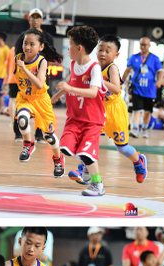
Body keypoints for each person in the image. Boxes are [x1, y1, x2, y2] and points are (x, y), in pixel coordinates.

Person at [70, 34, 148, 185]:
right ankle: (84, 170)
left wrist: (99, 80)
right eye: (100, 50)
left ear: (116, 55)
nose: (103, 53)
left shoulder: (112, 68)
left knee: (122, 148)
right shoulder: (93, 67)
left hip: (115, 110)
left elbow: (116, 89)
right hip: (98, 110)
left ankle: (139, 161)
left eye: (108, 50)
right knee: (88, 138)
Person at [51, 26, 108, 197]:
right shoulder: (74, 64)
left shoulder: (94, 68)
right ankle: (87, 164)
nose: (68, 48)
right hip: (74, 119)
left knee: (86, 153)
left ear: (79, 48)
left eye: (70, 44)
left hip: (92, 120)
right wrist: (58, 94)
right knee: (65, 148)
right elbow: (70, 83)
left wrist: (69, 88)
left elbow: (93, 92)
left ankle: (97, 184)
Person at [13, 29, 64, 177]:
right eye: (25, 43)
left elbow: (40, 84)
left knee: (49, 137)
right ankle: (28, 144)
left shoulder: (42, 61)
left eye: (32, 44)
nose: (27, 47)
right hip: (25, 98)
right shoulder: (17, 58)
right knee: (22, 120)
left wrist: (25, 69)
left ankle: (58, 159)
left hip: (41, 100)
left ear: (41, 47)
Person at [12, 8, 54, 143]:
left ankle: (39, 134)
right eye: (32, 17)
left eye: (37, 17)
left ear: (41, 20)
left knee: (40, 102)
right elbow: (18, 54)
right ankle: (19, 133)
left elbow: (51, 55)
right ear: (29, 19)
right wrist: (21, 68)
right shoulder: (23, 36)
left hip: (40, 72)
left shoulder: (47, 37)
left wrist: (42, 69)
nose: (35, 20)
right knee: (22, 100)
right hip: (24, 74)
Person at [122, 37, 164, 139]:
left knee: (147, 111)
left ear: (149, 45)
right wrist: (121, 81)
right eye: (141, 45)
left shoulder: (155, 58)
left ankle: (144, 128)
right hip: (137, 89)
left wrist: (159, 81)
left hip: (150, 90)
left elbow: (161, 71)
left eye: (145, 45)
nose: (143, 47)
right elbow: (127, 71)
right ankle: (134, 129)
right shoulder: (134, 57)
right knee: (136, 110)